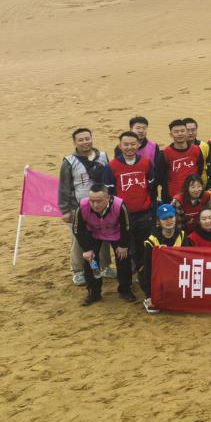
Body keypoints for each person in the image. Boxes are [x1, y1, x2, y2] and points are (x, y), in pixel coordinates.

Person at [58, 127, 109, 285]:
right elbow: (64, 187)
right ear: (75, 143)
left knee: (104, 237)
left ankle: (105, 267)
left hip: (102, 207)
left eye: (87, 138)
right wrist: (65, 210)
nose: (85, 142)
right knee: (78, 240)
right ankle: (78, 271)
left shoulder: (102, 156)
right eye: (81, 140)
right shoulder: (69, 161)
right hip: (78, 208)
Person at [105, 130, 155, 279]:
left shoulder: (146, 163)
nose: (129, 147)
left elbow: (151, 188)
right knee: (124, 249)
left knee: (143, 247)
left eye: (133, 144)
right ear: (120, 146)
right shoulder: (112, 166)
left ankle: (143, 276)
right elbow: (109, 193)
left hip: (144, 214)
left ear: (138, 144)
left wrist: (150, 207)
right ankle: (126, 282)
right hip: (122, 216)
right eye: (125, 144)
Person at [74, 184, 133, 306]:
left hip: (116, 234)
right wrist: (87, 249)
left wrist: (123, 245)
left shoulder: (119, 205)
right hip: (94, 234)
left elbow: (127, 226)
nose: (95, 205)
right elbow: (77, 229)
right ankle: (94, 292)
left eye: (99, 201)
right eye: (92, 201)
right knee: (91, 262)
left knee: (123, 259)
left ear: (107, 198)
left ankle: (125, 289)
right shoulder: (82, 206)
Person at [139, 203, 186, 313]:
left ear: (175, 218)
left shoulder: (182, 235)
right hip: (158, 278)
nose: (169, 221)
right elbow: (147, 269)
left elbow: (187, 262)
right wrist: (149, 295)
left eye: (171, 217)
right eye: (164, 218)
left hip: (175, 276)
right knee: (155, 305)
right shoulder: (152, 241)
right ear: (158, 221)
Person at [155, 118, 202, 204]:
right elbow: (159, 176)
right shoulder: (164, 153)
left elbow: (200, 170)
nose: (180, 134)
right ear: (171, 134)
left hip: (193, 195)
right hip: (172, 197)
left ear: (187, 132)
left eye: (182, 131)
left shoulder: (197, 150)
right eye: (176, 132)